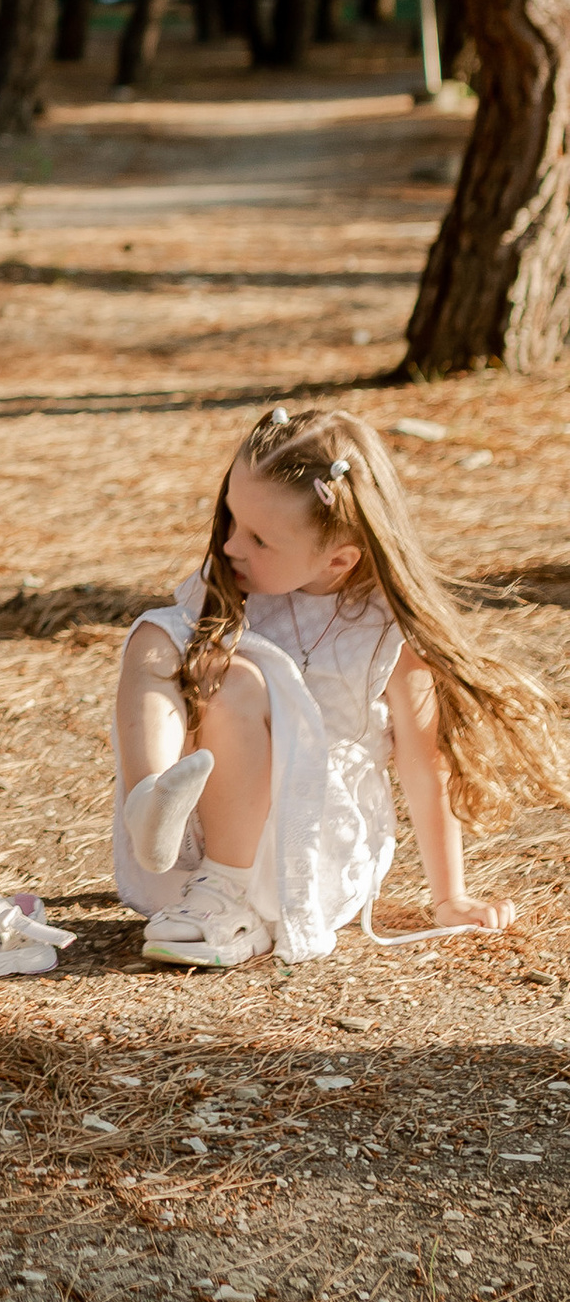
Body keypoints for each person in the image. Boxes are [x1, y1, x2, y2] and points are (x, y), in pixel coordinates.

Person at [114, 400, 565, 969]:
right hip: (195, 842)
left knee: (238, 680)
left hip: (307, 848)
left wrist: (449, 896)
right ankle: (150, 804)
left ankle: (230, 892)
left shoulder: (387, 635)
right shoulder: (233, 586)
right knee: (152, 636)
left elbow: (426, 767)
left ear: (338, 560)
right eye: (231, 518)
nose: (230, 545)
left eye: (258, 538)